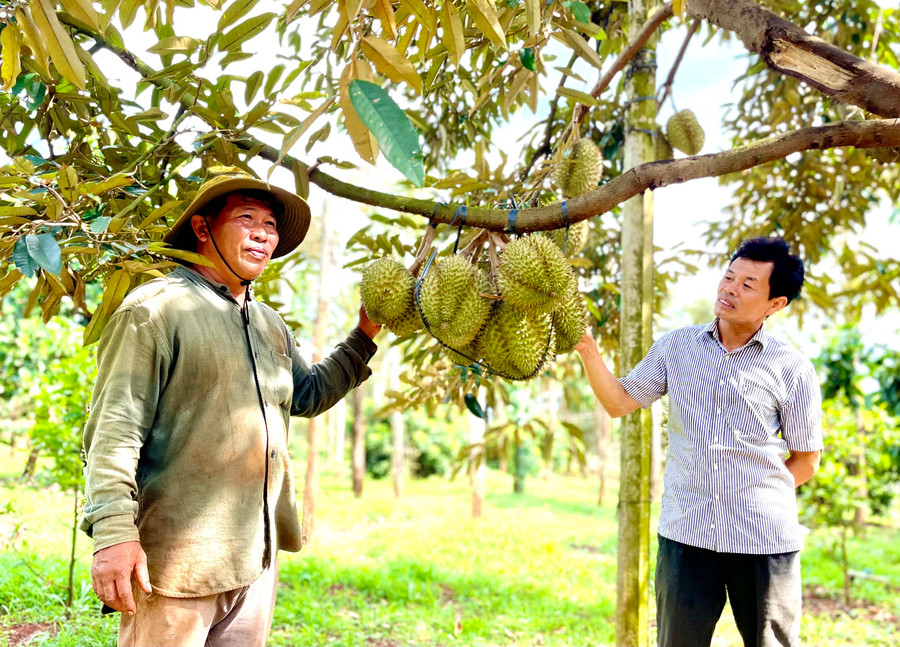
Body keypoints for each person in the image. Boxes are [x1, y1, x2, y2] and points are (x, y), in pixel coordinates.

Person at [81, 169, 382, 647]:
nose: (264, 233)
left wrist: (364, 335)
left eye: (270, 224)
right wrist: (114, 534)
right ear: (203, 229)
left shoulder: (268, 324)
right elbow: (115, 430)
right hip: (177, 564)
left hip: (253, 558)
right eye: (247, 218)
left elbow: (306, 394)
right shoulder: (155, 310)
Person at [575, 237, 822, 647]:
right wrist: (588, 349)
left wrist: (753, 493)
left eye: (747, 285)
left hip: (764, 540)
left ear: (775, 304)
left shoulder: (791, 367)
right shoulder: (676, 347)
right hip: (686, 535)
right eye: (728, 277)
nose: (729, 289)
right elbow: (619, 402)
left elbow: (807, 460)